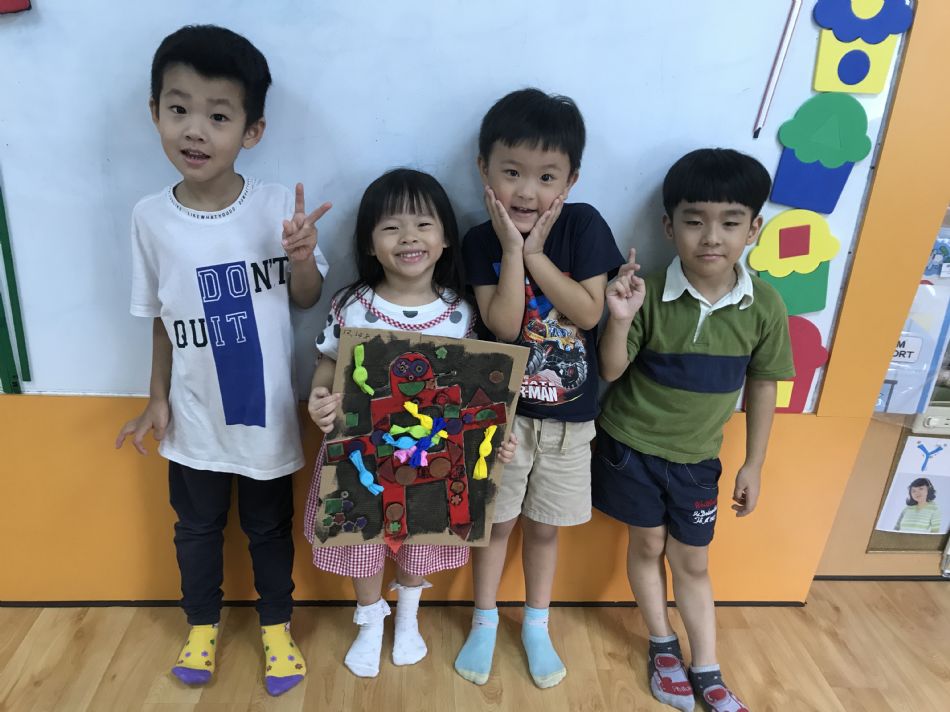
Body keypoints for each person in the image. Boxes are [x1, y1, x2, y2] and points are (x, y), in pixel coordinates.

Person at [115, 25, 330, 696]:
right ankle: (201, 626)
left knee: (268, 528)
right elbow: (160, 319)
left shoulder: (275, 206)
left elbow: (306, 300)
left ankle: (276, 628)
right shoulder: (149, 218)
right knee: (197, 529)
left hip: (265, 415)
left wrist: (301, 257)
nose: (195, 130)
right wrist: (156, 398)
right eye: (178, 108)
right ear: (155, 113)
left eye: (218, 115)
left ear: (252, 130)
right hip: (194, 416)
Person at [593, 148, 794, 712]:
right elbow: (611, 371)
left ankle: (707, 667)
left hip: (698, 460)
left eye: (730, 222)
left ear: (753, 229)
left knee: (693, 562)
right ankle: (662, 646)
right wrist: (621, 319)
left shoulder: (765, 305)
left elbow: (763, 385)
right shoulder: (649, 293)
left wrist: (754, 463)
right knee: (646, 545)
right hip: (630, 448)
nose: (711, 237)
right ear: (669, 226)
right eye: (694, 221)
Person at [305, 168, 517, 678]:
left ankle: (407, 617)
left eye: (423, 224)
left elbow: (477, 391)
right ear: (370, 243)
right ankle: (369, 621)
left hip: (433, 458)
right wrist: (319, 397)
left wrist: (493, 442)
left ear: (445, 239)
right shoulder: (352, 304)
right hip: (361, 453)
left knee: (420, 537)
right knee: (360, 537)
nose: (408, 238)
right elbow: (328, 362)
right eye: (390, 227)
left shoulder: (462, 312)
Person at [457, 88, 625, 688]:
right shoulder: (480, 242)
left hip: (570, 423)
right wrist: (511, 250)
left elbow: (587, 312)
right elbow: (504, 326)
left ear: (570, 180)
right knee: (496, 524)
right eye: (512, 173)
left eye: (546, 177)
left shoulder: (583, 225)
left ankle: (536, 623)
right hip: (500, 420)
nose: (527, 192)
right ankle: (483, 620)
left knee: (545, 527)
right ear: (484, 169)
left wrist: (535, 256)